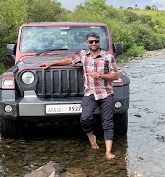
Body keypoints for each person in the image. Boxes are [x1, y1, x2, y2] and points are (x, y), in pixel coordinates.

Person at [39, 32, 119, 160]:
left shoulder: (108, 57)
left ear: (99, 42)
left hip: (105, 92)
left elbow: (116, 75)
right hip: (90, 92)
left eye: (96, 41)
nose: (94, 43)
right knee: (85, 119)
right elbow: (69, 60)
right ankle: (92, 138)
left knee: (108, 122)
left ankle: (108, 151)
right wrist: (51, 64)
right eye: (91, 41)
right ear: (87, 43)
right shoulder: (83, 54)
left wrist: (100, 76)